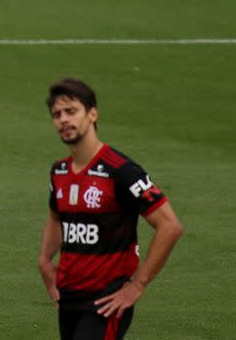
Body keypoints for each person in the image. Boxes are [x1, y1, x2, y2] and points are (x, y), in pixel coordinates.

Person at [38, 78, 183, 339]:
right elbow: (56, 217)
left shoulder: (122, 171)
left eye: (71, 111)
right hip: (69, 297)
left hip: (106, 301)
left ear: (92, 113)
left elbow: (170, 225)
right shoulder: (59, 171)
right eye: (57, 114)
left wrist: (137, 285)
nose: (63, 120)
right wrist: (45, 262)